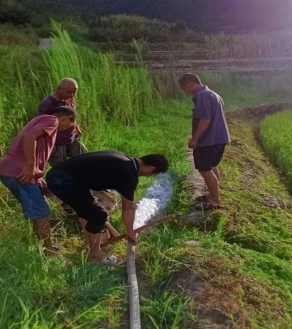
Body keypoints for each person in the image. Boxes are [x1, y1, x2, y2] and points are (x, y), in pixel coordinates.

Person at [45, 151, 169, 266]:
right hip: (63, 180)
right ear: (152, 169)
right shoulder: (129, 174)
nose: (149, 176)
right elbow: (128, 208)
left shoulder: (124, 159)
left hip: (61, 175)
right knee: (98, 215)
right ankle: (96, 255)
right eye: (153, 174)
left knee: (87, 210)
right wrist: (130, 231)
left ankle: (90, 245)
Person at [0, 106, 76, 256]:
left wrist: (38, 180)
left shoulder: (40, 121)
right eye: (68, 126)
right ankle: (48, 251)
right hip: (19, 172)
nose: (63, 130)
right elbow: (29, 137)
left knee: (36, 207)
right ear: (65, 118)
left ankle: (41, 246)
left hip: (13, 171)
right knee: (41, 210)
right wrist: (29, 165)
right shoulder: (52, 121)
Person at [178, 73, 230, 210]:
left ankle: (216, 200)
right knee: (212, 166)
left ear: (190, 84)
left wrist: (195, 138)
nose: (186, 92)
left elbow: (205, 120)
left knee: (204, 169)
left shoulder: (202, 96)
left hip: (209, 140)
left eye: (185, 89)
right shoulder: (214, 94)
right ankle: (212, 194)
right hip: (220, 138)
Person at [37, 78, 87, 167]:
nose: (71, 95)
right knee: (62, 168)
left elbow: (71, 116)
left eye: (74, 92)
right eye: (68, 92)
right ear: (58, 89)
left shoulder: (70, 98)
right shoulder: (47, 104)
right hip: (57, 142)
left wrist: (77, 128)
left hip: (71, 138)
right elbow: (43, 128)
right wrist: (50, 146)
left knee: (85, 160)